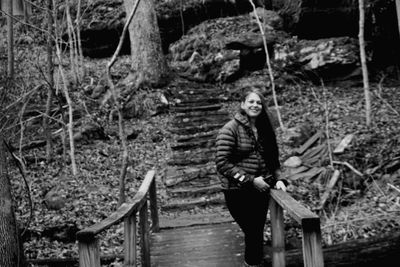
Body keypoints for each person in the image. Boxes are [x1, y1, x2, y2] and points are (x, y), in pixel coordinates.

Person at [215, 88, 287, 267]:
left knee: (255, 233)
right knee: (253, 232)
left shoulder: (264, 129)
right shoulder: (230, 129)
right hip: (237, 192)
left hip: (261, 191)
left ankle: (253, 263)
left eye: (258, 103)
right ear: (242, 104)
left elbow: (272, 159)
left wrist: (279, 178)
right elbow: (222, 163)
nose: (255, 105)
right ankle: (253, 263)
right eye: (251, 102)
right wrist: (250, 180)